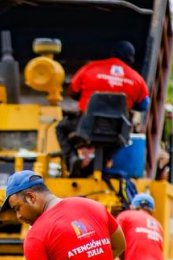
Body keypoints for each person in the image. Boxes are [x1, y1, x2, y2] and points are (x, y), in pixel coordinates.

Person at [56, 41, 150, 176]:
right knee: (121, 139)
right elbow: (143, 105)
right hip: (116, 131)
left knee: (61, 127)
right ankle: (94, 167)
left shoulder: (90, 68)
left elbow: (72, 91)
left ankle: (72, 159)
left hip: (86, 126)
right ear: (130, 58)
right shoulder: (137, 79)